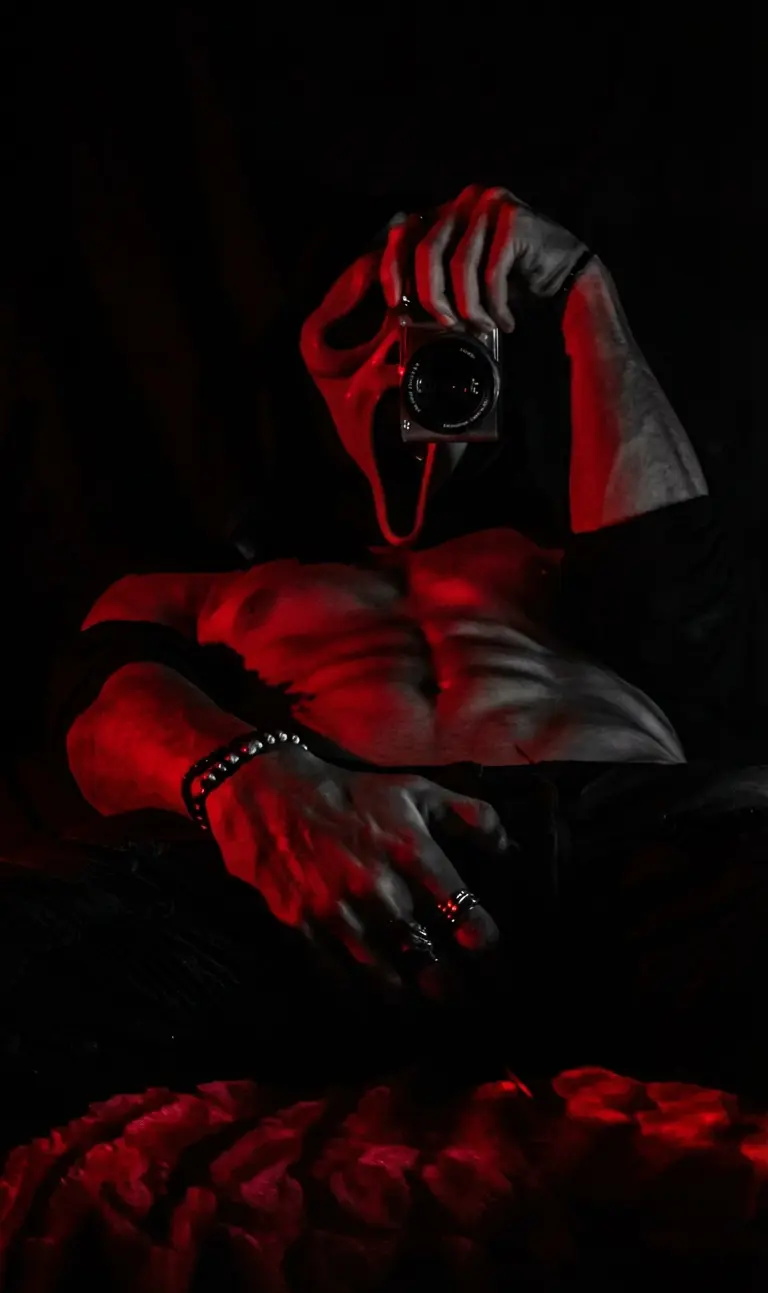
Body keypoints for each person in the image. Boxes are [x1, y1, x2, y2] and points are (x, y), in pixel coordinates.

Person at [5, 184, 768, 1112]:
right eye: (368, 321)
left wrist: (582, 290)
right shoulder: (200, 589)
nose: (411, 349)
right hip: (329, 864)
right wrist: (259, 788)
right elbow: (100, 712)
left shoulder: (555, 558)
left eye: (442, 325)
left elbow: (687, 621)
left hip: (637, 841)